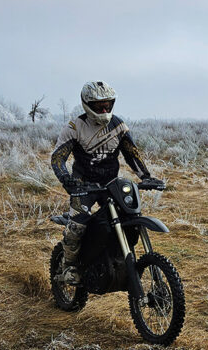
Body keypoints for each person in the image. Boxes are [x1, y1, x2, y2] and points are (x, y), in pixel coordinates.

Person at [50, 81, 152, 285]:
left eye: (107, 105)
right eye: (99, 106)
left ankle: (117, 258)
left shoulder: (118, 125)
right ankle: (69, 266)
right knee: (78, 223)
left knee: (130, 216)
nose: (104, 109)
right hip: (83, 184)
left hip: (111, 183)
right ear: (87, 104)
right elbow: (57, 158)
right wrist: (68, 181)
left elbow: (132, 153)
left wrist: (146, 176)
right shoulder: (75, 127)